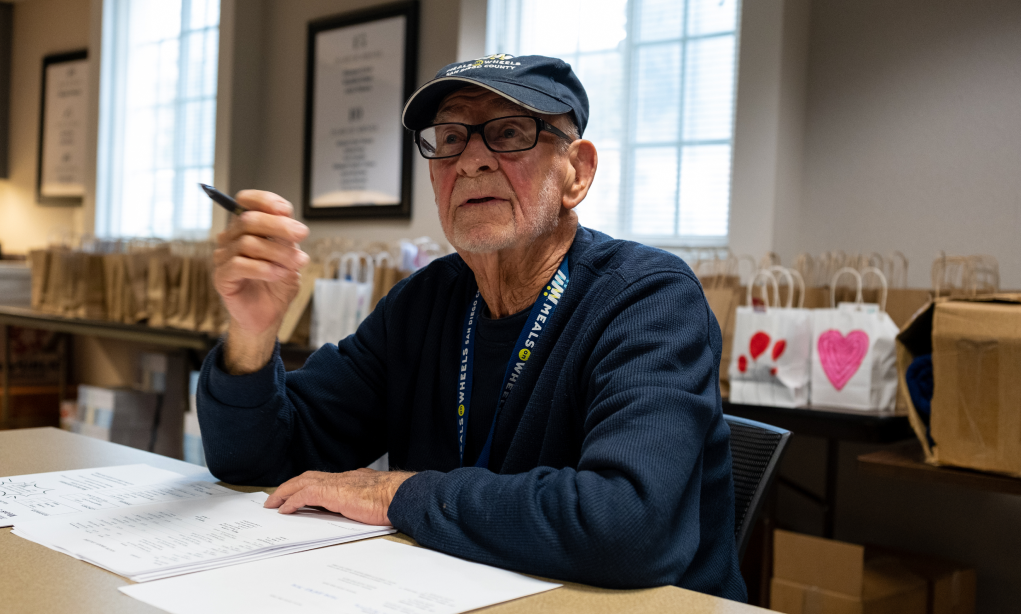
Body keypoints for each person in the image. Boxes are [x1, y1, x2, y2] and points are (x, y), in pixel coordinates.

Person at [198, 54, 745, 601]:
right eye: (452, 137)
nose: (472, 161)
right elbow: (256, 462)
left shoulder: (649, 299)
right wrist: (253, 332)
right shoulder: (426, 301)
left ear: (576, 172)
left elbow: (627, 525)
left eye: (510, 133)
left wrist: (400, 494)